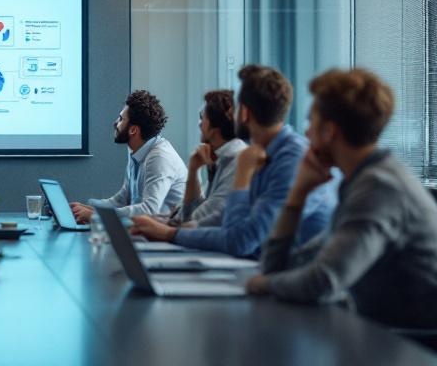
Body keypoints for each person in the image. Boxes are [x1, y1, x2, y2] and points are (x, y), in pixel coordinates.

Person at [246, 69, 437, 328]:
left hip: (411, 346)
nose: (307, 134)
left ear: (330, 131)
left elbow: (322, 281)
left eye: (310, 122)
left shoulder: (379, 188)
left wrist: (264, 284)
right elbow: (282, 268)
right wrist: (297, 195)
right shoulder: (361, 181)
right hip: (380, 336)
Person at [130, 65, 338, 258]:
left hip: (291, 281)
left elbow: (241, 239)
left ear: (245, 113)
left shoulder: (289, 160)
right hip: (266, 271)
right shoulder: (267, 152)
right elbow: (229, 221)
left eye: (235, 108)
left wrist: (170, 234)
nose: (230, 114)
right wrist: (180, 230)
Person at [69, 90, 186, 221]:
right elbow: (121, 200)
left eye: (121, 119)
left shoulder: (160, 158)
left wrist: (95, 216)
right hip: (148, 232)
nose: (115, 123)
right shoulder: (137, 152)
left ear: (133, 130)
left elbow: (149, 210)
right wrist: (88, 208)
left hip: (170, 236)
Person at [169, 89, 247, 227]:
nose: (199, 124)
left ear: (215, 127)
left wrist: (164, 226)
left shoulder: (236, 160)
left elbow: (191, 220)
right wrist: (194, 170)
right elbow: (187, 214)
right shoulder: (222, 158)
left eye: (202, 116)